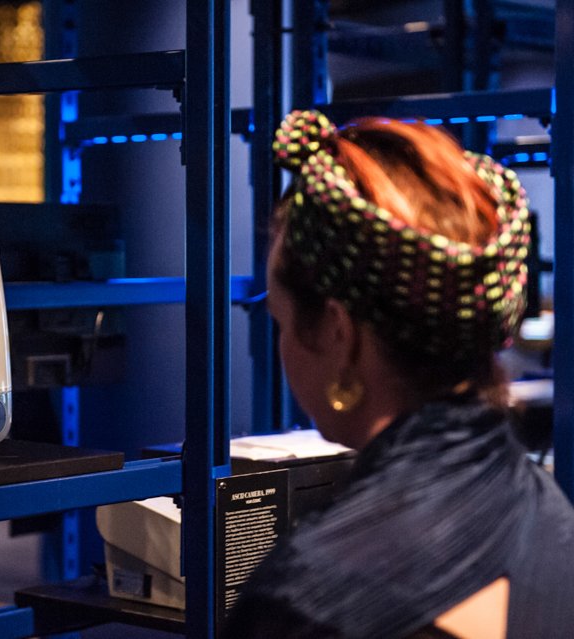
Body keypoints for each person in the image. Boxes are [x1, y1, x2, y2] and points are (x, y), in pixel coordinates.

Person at [219, 110, 574, 638]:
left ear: (339, 332)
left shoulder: (306, 605)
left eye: (281, 319)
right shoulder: (550, 515)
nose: (284, 345)